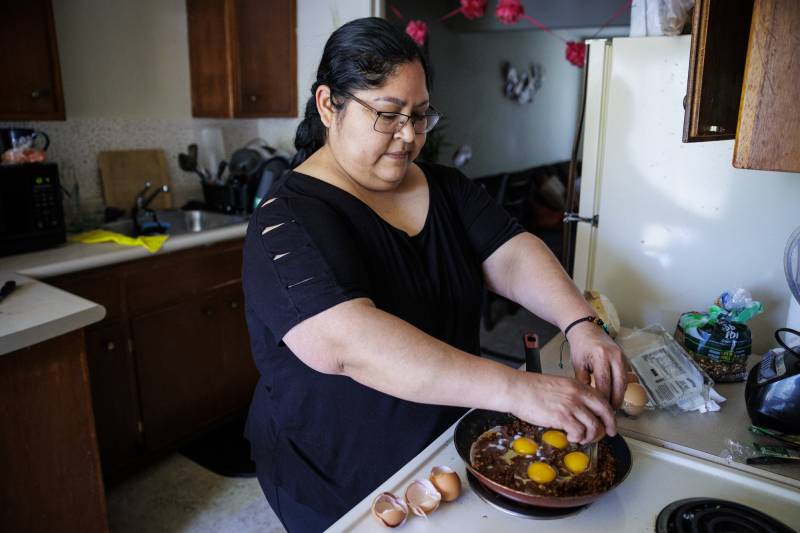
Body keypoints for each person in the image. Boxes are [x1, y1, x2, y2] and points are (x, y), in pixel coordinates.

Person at [242, 17, 626, 532]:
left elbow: (512, 253)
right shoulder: (286, 220)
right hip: (337, 473)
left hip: (440, 446)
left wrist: (582, 325)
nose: (408, 136)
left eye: (420, 116)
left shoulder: (445, 187)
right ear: (328, 105)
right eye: (388, 114)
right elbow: (350, 343)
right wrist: (518, 390)